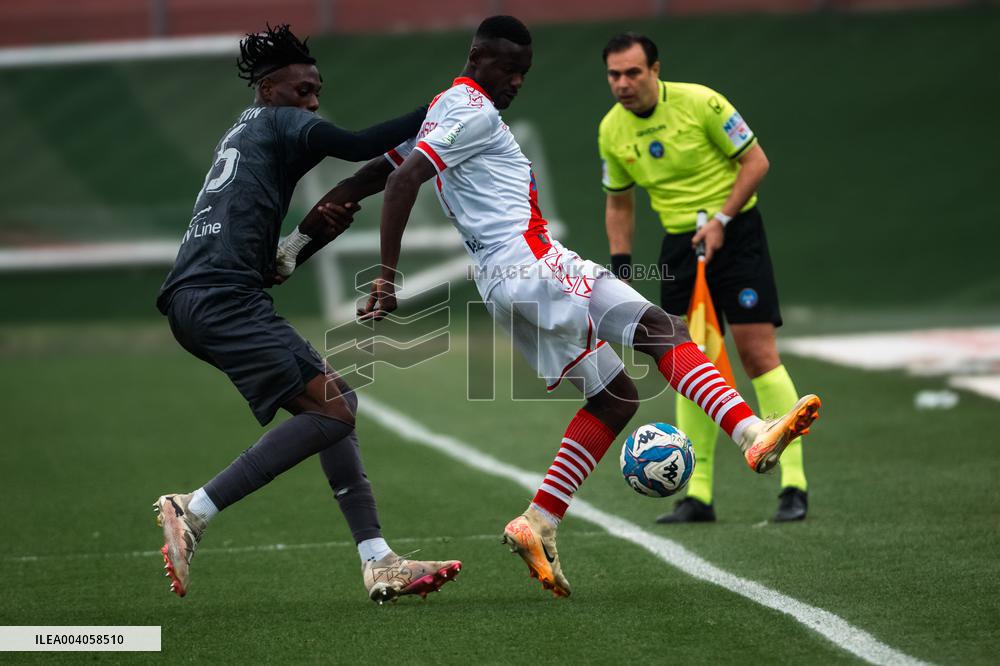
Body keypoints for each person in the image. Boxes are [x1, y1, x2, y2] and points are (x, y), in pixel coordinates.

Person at [357, 15, 821, 598]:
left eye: (525, 73)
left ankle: (539, 520)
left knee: (613, 398)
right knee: (660, 328)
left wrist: (299, 242)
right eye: (511, 69)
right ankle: (751, 432)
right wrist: (386, 276)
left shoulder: (441, 112)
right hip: (530, 260)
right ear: (478, 57)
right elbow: (400, 184)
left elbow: (377, 174)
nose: (518, 82)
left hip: (499, 282)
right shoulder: (470, 109)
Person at [152, 24, 460, 604]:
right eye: (302, 90)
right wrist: (448, 104)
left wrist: (300, 242)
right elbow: (358, 143)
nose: (313, 102)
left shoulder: (245, 132)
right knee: (335, 410)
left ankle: (379, 561)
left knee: (340, 400)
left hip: (206, 296)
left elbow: (263, 256)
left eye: (317, 90)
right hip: (222, 299)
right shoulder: (280, 120)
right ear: (269, 90)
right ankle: (193, 509)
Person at [598, 33, 810, 524]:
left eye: (633, 72)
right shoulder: (611, 129)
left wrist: (721, 220)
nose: (623, 84)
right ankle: (698, 494)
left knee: (757, 355)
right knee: (693, 365)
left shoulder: (702, 102)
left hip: (736, 237)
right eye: (614, 75)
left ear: (655, 69)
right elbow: (619, 201)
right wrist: (622, 267)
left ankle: (793, 484)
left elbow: (756, 162)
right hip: (679, 248)